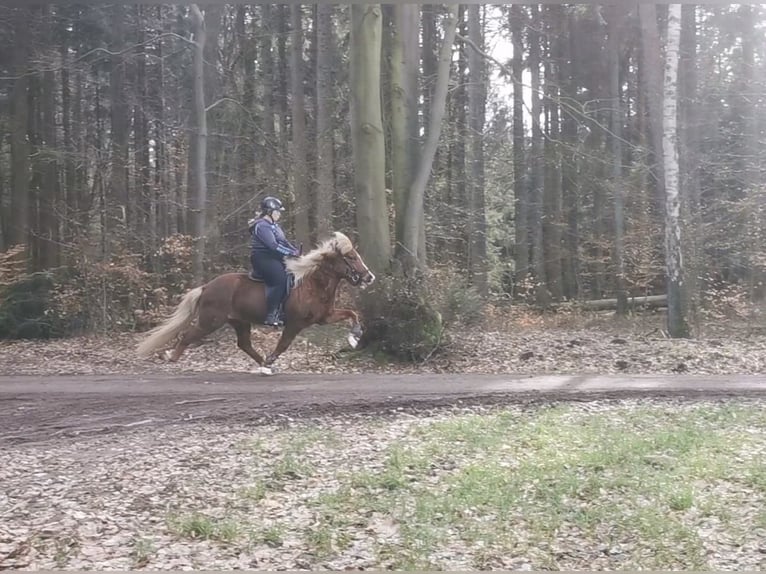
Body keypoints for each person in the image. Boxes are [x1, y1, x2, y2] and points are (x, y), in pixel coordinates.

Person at [248, 196, 301, 327]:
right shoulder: (262, 226)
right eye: (277, 211)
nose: (279, 214)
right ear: (269, 212)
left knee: (292, 275)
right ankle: (271, 314)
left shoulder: (275, 226)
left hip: (275, 257)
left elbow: (284, 242)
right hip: (262, 258)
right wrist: (290, 253)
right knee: (280, 278)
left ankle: (283, 310)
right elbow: (273, 245)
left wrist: (296, 251)